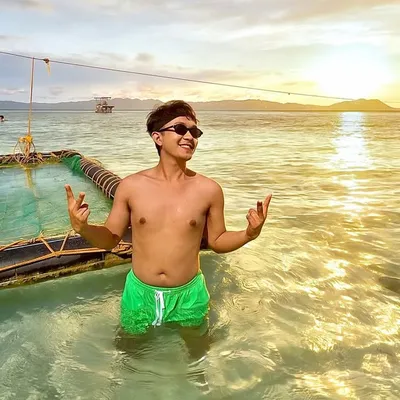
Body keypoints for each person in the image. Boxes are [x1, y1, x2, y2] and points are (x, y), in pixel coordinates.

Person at [65, 100, 272, 344]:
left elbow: (217, 241)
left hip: (189, 295)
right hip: (140, 294)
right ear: (157, 137)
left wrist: (248, 234)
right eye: (181, 129)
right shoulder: (131, 187)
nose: (190, 137)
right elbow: (110, 239)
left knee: (196, 353)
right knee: (130, 352)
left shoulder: (209, 190)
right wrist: (84, 228)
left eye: (195, 132)